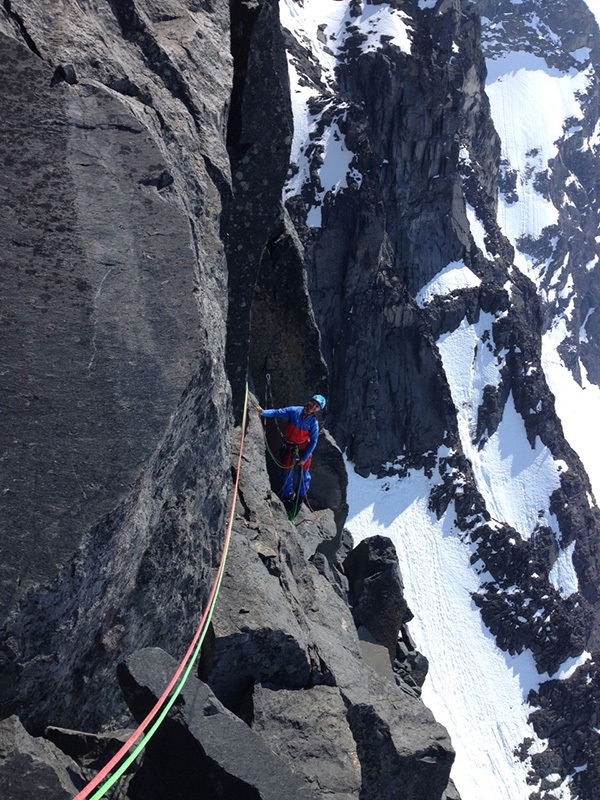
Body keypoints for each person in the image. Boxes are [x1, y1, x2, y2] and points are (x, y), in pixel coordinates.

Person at [256, 395, 326, 503]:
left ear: (318, 410)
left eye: (317, 406)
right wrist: (263, 412)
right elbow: (277, 413)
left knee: (304, 475)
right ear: (309, 401)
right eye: (313, 403)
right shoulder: (294, 411)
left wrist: (304, 458)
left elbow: (313, 441)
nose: (313, 407)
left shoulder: (313, 423)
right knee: (286, 473)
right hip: (290, 447)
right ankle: (286, 497)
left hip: (303, 449)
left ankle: (300, 498)